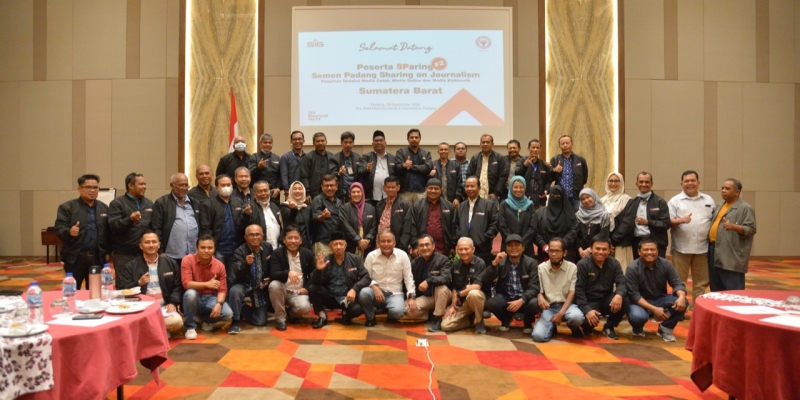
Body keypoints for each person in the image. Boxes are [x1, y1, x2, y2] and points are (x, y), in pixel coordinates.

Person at [116, 232, 183, 335]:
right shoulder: (131, 266)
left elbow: (177, 286)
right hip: (140, 308)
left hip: (163, 308)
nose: (151, 245)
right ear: (140, 246)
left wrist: (172, 303)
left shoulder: (170, 263)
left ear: (159, 245)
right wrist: (139, 283)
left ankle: (151, 330)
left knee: (177, 322)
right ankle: (157, 330)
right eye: (147, 242)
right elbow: (122, 290)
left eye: (154, 242)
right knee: (126, 325)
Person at [54, 174, 110, 289]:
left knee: (95, 291)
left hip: (97, 258)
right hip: (75, 258)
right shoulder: (67, 207)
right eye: (88, 187)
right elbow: (59, 228)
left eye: (95, 187)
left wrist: (108, 252)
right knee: (72, 291)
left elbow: (109, 233)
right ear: (79, 189)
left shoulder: (104, 208)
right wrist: (69, 231)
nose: (93, 190)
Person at [625, 239, 687, 342]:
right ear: (639, 252)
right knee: (637, 317)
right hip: (639, 302)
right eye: (646, 250)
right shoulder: (632, 268)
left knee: (683, 301)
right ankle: (637, 328)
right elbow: (634, 295)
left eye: (652, 249)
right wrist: (654, 309)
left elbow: (677, 283)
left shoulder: (666, 264)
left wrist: (681, 296)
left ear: (657, 251)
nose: (649, 252)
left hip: (659, 299)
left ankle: (665, 328)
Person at [668, 170, 715, 304]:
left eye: (693, 180)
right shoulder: (674, 201)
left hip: (703, 249)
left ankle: (697, 308)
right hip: (681, 248)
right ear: (681, 184)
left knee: (701, 282)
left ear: (698, 182)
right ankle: (680, 308)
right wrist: (681, 220)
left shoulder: (708, 200)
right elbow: (667, 222)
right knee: (679, 281)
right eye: (686, 181)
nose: (690, 183)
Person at [308, 231, 370, 328]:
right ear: (330, 247)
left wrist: (354, 289)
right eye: (335, 244)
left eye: (341, 244)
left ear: (345, 245)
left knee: (358, 309)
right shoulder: (325, 259)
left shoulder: (355, 259)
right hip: (329, 296)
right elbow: (315, 282)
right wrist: (318, 271)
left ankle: (346, 315)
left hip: (347, 297)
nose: (338, 247)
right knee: (312, 288)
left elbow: (366, 277)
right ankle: (322, 316)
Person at [483, 235, 541, 333]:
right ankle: (506, 319)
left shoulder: (530, 263)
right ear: (506, 248)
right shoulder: (501, 262)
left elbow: (534, 286)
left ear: (523, 248)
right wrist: (494, 263)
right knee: (491, 303)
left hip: (525, 297)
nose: (513, 248)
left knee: (535, 303)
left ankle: (528, 320)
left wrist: (522, 300)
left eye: (517, 245)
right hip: (507, 296)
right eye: (510, 245)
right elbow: (486, 279)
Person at [181, 235, 234, 339]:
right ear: (197, 248)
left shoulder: (219, 265)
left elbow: (222, 289)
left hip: (210, 298)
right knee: (190, 294)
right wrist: (207, 284)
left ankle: (205, 319)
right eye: (203, 247)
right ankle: (190, 327)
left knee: (228, 314)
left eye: (210, 248)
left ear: (214, 249)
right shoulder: (188, 260)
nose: (206, 251)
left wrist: (219, 304)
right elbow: (186, 284)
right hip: (193, 298)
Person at [708, 179, 757, 291]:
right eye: (722, 188)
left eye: (727, 189)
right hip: (714, 250)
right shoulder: (720, 205)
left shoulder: (745, 208)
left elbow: (751, 229)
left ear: (737, 192)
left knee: (733, 290)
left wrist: (734, 227)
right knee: (716, 289)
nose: (723, 191)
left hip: (731, 255)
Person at [575, 236, 628, 340]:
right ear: (591, 249)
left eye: (604, 249)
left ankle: (609, 326)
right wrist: (587, 310)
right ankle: (587, 327)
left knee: (624, 299)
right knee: (587, 323)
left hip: (606, 300)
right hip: (589, 301)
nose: (601, 252)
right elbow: (579, 290)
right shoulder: (582, 264)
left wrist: (619, 295)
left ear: (609, 250)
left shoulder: (614, 263)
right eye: (597, 248)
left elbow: (622, 282)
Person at [532, 238, 585, 342]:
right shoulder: (541, 268)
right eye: (551, 251)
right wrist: (540, 297)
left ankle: (573, 327)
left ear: (564, 253)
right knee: (538, 337)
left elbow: (572, 292)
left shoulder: (572, 267)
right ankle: (552, 326)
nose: (553, 254)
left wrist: (561, 313)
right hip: (549, 307)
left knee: (576, 317)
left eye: (557, 251)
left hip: (567, 305)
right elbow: (538, 289)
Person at [198, 174, 248, 280]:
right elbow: (205, 229)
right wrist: (210, 249)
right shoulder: (208, 204)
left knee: (233, 278)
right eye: (223, 185)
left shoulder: (238, 202)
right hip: (219, 249)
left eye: (228, 185)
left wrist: (246, 215)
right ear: (217, 188)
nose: (226, 187)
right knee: (217, 278)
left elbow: (242, 225)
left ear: (232, 186)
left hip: (236, 249)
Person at [360, 231, 416, 326]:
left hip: (395, 294)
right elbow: (365, 277)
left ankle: (390, 315)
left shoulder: (402, 255)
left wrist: (411, 297)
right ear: (378, 243)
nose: (386, 244)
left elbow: (408, 278)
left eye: (389, 241)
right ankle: (371, 318)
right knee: (363, 293)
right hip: (376, 293)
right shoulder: (371, 256)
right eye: (383, 241)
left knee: (398, 311)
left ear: (394, 243)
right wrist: (375, 287)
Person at [226, 225, 273, 334]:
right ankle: (236, 320)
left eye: (257, 234)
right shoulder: (240, 251)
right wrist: (246, 264)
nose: (255, 237)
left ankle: (242, 309)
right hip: (243, 284)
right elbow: (236, 272)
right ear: (245, 237)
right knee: (235, 291)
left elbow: (273, 266)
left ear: (262, 236)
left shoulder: (268, 247)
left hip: (260, 287)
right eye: (251, 235)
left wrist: (269, 279)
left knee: (261, 321)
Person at [268, 225, 315, 330]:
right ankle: (280, 319)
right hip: (282, 291)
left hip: (298, 292)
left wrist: (306, 288)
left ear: (301, 240)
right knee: (274, 285)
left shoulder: (307, 254)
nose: (293, 241)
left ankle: (291, 314)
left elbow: (313, 275)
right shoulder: (277, 253)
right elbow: (273, 274)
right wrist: (288, 273)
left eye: (296, 238)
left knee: (305, 308)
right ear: (284, 240)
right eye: (289, 238)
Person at [613, 172, 670, 258]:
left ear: (651, 184)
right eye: (641, 182)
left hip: (656, 242)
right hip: (636, 243)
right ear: (636, 184)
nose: (644, 184)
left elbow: (666, 224)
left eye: (647, 182)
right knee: (638, 266)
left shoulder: (660, 202)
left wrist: (648, 222)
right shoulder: (633, 202)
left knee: (657, 267)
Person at [441, 238, 489, 334]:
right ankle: (469, 319)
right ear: (457, 250)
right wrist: (453, 303)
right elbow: (454, 286)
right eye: (460, 249)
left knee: (474, 293)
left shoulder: (480, 263)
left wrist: (459, 294)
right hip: (462, 302)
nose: (463, 252)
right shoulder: (455, 264)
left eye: (466, 249)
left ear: (473, 249)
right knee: (445, 326)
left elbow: (477, 286)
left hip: (478, 300)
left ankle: (479, 321)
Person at [151, 173, 200, 266]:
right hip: (171, 255)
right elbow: (156, 228)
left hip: (193, 255)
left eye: (186, 185)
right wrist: (160, 251)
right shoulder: (162, 203)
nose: (184, 188)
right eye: (181, 185)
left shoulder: (194, 203)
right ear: (171, 185)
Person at [109, 172, 154, 272]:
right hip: (124, 256)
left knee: (145, 281)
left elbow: (153, 227)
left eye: (145, 184)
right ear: (131, 186)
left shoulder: (149, 204)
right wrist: (130, 220)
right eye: (141, 184)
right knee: (125, 282)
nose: (144, 187)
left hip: (144, 254)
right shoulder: (117, 203)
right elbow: (113, 226)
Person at [406, 235, 452, 331]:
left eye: (427, 245)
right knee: (408, 310)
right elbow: (409, 281)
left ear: (433, 246)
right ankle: (432, 313)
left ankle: (437, 318)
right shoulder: (415, 262)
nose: (424, 248)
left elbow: (446, 278)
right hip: (427, 298)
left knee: (441, 288)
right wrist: (411, 298)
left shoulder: (443, 259)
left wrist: (428, 281)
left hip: (443, 296)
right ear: (418, 248)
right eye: (421, 245)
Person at [455, 176, 499, 268]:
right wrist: (459, 237)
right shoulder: (461, 206)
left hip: (482, 249)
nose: (469, 189)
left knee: (483, 274)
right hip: (464, 250)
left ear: (479, 188)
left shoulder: (489, 205)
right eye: (467, 186)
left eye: (472, 186)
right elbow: (455, 225)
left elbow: (495, 224)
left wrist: (485, 238)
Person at [410, 178, 456, 256]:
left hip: (444, 249)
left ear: (441, 190)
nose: (433, 191)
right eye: (430, 188)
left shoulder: (449, 206)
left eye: (436, 188)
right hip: (423, 249)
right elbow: (412, 226)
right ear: (426, 189)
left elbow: (453, 226)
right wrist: (414, 246)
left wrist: (452, 245)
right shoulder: (417, 206)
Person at [532, 186, 575, 263]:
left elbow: (573, 231)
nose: (555, 198)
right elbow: (535, 231)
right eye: (553, 196)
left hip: (566, 255)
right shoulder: (539, 214)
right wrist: (544, 245)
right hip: (545, 255)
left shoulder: (570, 215)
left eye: (558, 196)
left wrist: (561, 245)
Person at [601, 172, 633, 271]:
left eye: (616, 181)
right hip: (604, 245)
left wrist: (612, 242)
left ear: (621, 183)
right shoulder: (601, 201)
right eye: (610, 181)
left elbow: (627, 224)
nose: (613, 183)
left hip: (621, 244)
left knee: (621, 272)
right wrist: (606, 242)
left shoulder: (628, 200)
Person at [567, 189, 610, 260]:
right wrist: (580, 249)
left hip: (598, 252)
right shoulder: (578, 215)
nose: (586, 200)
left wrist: (589, 250)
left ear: (594, 196)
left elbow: (604, 234)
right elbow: (575, 235)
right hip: (580, 254)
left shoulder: (604, 215)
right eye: (583, 199)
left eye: (588, 197)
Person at [358, 130, 398, 206]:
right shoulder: (366, 157)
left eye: (381, 140)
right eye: (376, 141)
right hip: (371, 197)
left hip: (389, 196)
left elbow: (397, 175)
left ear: (385, 143)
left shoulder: (392, 158)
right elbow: (360, 172)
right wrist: (367, 169)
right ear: (372, 144)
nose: (379, 142)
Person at [498, 176, 536, 258]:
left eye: (521, 187)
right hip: (508, 246)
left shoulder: (530, 205)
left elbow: (533, 227)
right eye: (515, 187)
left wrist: (522, 244)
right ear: (511, 188)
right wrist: (512, 243)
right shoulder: (504, 205)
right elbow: (502, 226)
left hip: (526, 247)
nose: (518, 190)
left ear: (525, 188)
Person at [463, 134, 508, 200]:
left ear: (492, 144)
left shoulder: (499, 158)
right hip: (477, 195)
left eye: (488, 142)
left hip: (492, 196)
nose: (485, 144)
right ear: (480, 144)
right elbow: (469, 175)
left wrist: (496, 193)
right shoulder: (475, 158)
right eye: (483, 142)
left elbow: (503, 177)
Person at [549, 135, 588, 211]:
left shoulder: (580, 159)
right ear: (559, 146)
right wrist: (554, 170)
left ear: (572, 144)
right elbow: (550, 178)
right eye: (562, 144)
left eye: (567, 143)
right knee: (560, 217)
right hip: (560, 196)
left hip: (576, 197)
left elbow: (584, 178)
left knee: (576, 216)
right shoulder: (555, 159)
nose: (565, 145)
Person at [395, 128, 432, 205]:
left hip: (421, 191)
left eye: (416, 137)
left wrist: (410, 167)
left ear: (420, 139)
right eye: (411, 137)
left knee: (421, 212)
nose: (414, 139)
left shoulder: (426, 153)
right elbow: (397, 168)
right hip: (405, 192)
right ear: (408, 139)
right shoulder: (401, 152)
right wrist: (403, 166)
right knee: (405, 212)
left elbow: (427, 168)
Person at [375, 176, 412, 253]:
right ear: (384, 188)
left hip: (397, 247)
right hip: (380, 245)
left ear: (398, 188)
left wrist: (402, 247)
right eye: (388, 187)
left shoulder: (404, 205)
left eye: (393, 187)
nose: (390, 189)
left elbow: (407, 228)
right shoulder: (379, 204)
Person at [339, 182, 377, 257]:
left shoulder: (371, 208)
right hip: (350, 246)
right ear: (350, 194)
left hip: (368, 246)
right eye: (353, 192)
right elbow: (345, 225)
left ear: (362, 193)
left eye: (358, 192)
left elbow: (374, 225)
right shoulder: (344, 208)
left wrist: (367, 240)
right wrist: (358, 240)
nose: (356, 194)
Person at [310, 174, 343, 256]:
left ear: (336, 186)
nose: (329, 188)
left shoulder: (339, 202)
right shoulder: (318, 200)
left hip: (337, 243)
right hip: (323, 243)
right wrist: (323, 216)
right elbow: (315, 218)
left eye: (331, 185)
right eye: (326, 186)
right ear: (322, 187)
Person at [300, 132, 338, 201]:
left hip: (329, 193)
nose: (320, 143)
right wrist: (307, 193)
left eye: (322, 141)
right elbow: (304, 177)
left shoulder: (332, 157)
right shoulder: (308, 157)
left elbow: (334, 176)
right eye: (317, 141)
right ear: (313, 143)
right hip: (313, 194)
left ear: (326, 142)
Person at [247, 133, 281, 203]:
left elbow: (281, 176)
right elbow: (249, 175)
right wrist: (258, 168)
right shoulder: (253, 157)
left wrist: (278, 188)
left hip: (273, 193)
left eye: (270, 143)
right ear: (260, 144)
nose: (267, 144)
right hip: (258, 193)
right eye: (265, 142)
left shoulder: (277, 158)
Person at [248, 180, 283, 249]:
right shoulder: (250, 207)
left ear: (269, 191)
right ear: (254, 194)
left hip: (277, 247)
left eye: (265, 190)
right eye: (260, 191)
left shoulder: (274, 206)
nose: (263, 193)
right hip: (261, 249)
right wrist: (245, 215)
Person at [520, 139, 550, 209]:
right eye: (533, 147)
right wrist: (525, 166)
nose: (535, 150)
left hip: (540, 200)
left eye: (537, 148)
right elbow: (517, 174)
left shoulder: (544, 164)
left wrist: (547, 190)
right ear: (528, 148)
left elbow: (548, 181)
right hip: (524, 200)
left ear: (540, 149)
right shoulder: (521, 161)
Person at [334, 131, 361, 202]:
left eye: (350, 142)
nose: (348, 145)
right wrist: (339, 174)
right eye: (345, 142)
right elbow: (331, 175)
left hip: (354, 192)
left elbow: (360, 175)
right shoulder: (335, 158)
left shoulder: (358, 157)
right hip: (340, 193)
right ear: (341, 143)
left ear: (353, 143)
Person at [280, 130, 306, 196]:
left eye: (300, 139)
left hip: (305, 191)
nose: (297, 141)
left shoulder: (307, 157)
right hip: (291, 191)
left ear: (303, 141)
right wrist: (286, 191)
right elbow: (283, 175)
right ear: (291, 142)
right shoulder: (285, 157)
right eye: (295, 139)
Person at [451, 142, 470, 207]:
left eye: (463, 149)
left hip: (468, 194)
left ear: (466, 151)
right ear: (454, 151)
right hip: (453, 195)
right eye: (458, 149)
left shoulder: (471, 164)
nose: (461, 150)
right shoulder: (449, 164)